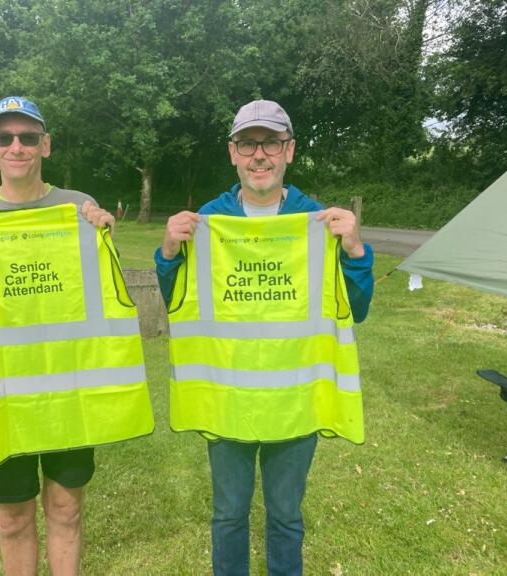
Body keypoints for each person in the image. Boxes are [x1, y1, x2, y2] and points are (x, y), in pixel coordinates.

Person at [155, 99, 374, 575]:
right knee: (229, 516)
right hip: (228, 401)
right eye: (248, 144)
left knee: (286, 518)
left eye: (270, 142)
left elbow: (353, 307)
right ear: (233, 153)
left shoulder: (318, 221)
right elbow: (177, 302)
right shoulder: (207, 220)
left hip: (295, 404)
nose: (259, 155)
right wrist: (169, 251)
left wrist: (355, 250)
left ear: (289, 151)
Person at [0, 96, 116, 576]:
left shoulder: (79, 210)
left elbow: (103, 297)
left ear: (46, 145)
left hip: (67, 392)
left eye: (28, 137)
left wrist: (103, 235)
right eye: (5, 138)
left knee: (66, 510)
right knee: (12, 521)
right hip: (3, 398)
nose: (17, 146)